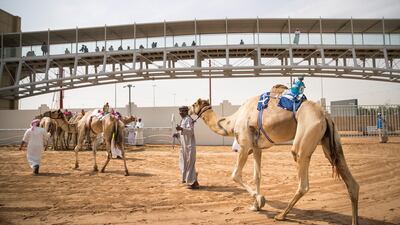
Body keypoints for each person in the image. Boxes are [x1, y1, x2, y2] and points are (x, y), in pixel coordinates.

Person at [173, 106, 199, 189]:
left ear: (186, 111)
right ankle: (191, 180)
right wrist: (177, 134)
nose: (180, 113)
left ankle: (194, 183)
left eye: (182, 111)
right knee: (183, 163)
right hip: (184, 146)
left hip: (189, 146)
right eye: (180, 111)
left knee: (189, 164)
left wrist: (181, 128)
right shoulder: (183, 120)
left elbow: (190, 131)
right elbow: (183, 133)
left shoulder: (189, 119)